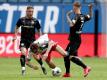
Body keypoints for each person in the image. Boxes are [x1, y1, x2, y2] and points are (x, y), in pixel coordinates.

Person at [13, 6, 46, 75]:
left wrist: (41, 38)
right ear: (26, 11)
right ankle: (23, 70)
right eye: (29, 11)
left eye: (32, 11)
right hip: (23, 40)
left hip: (32, 41)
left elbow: (39, 29)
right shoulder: (21, 20)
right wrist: (15, 36)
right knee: (23, 52)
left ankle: (42, 66)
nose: (31, 13)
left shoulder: (35, 20)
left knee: (36, 57)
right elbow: (17, 27)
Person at [63, 2, 93, 77]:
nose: (73, 8)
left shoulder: (76, 17)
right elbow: (90, 17)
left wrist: (67, 16)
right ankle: (67, 73)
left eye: (73, 7)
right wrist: (90, 9)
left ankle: (86, 67)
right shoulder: (83, 16)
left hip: (75, 40)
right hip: (76, 39)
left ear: (75, 7)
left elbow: (71, 24)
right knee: (65, 55)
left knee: (69, 56)